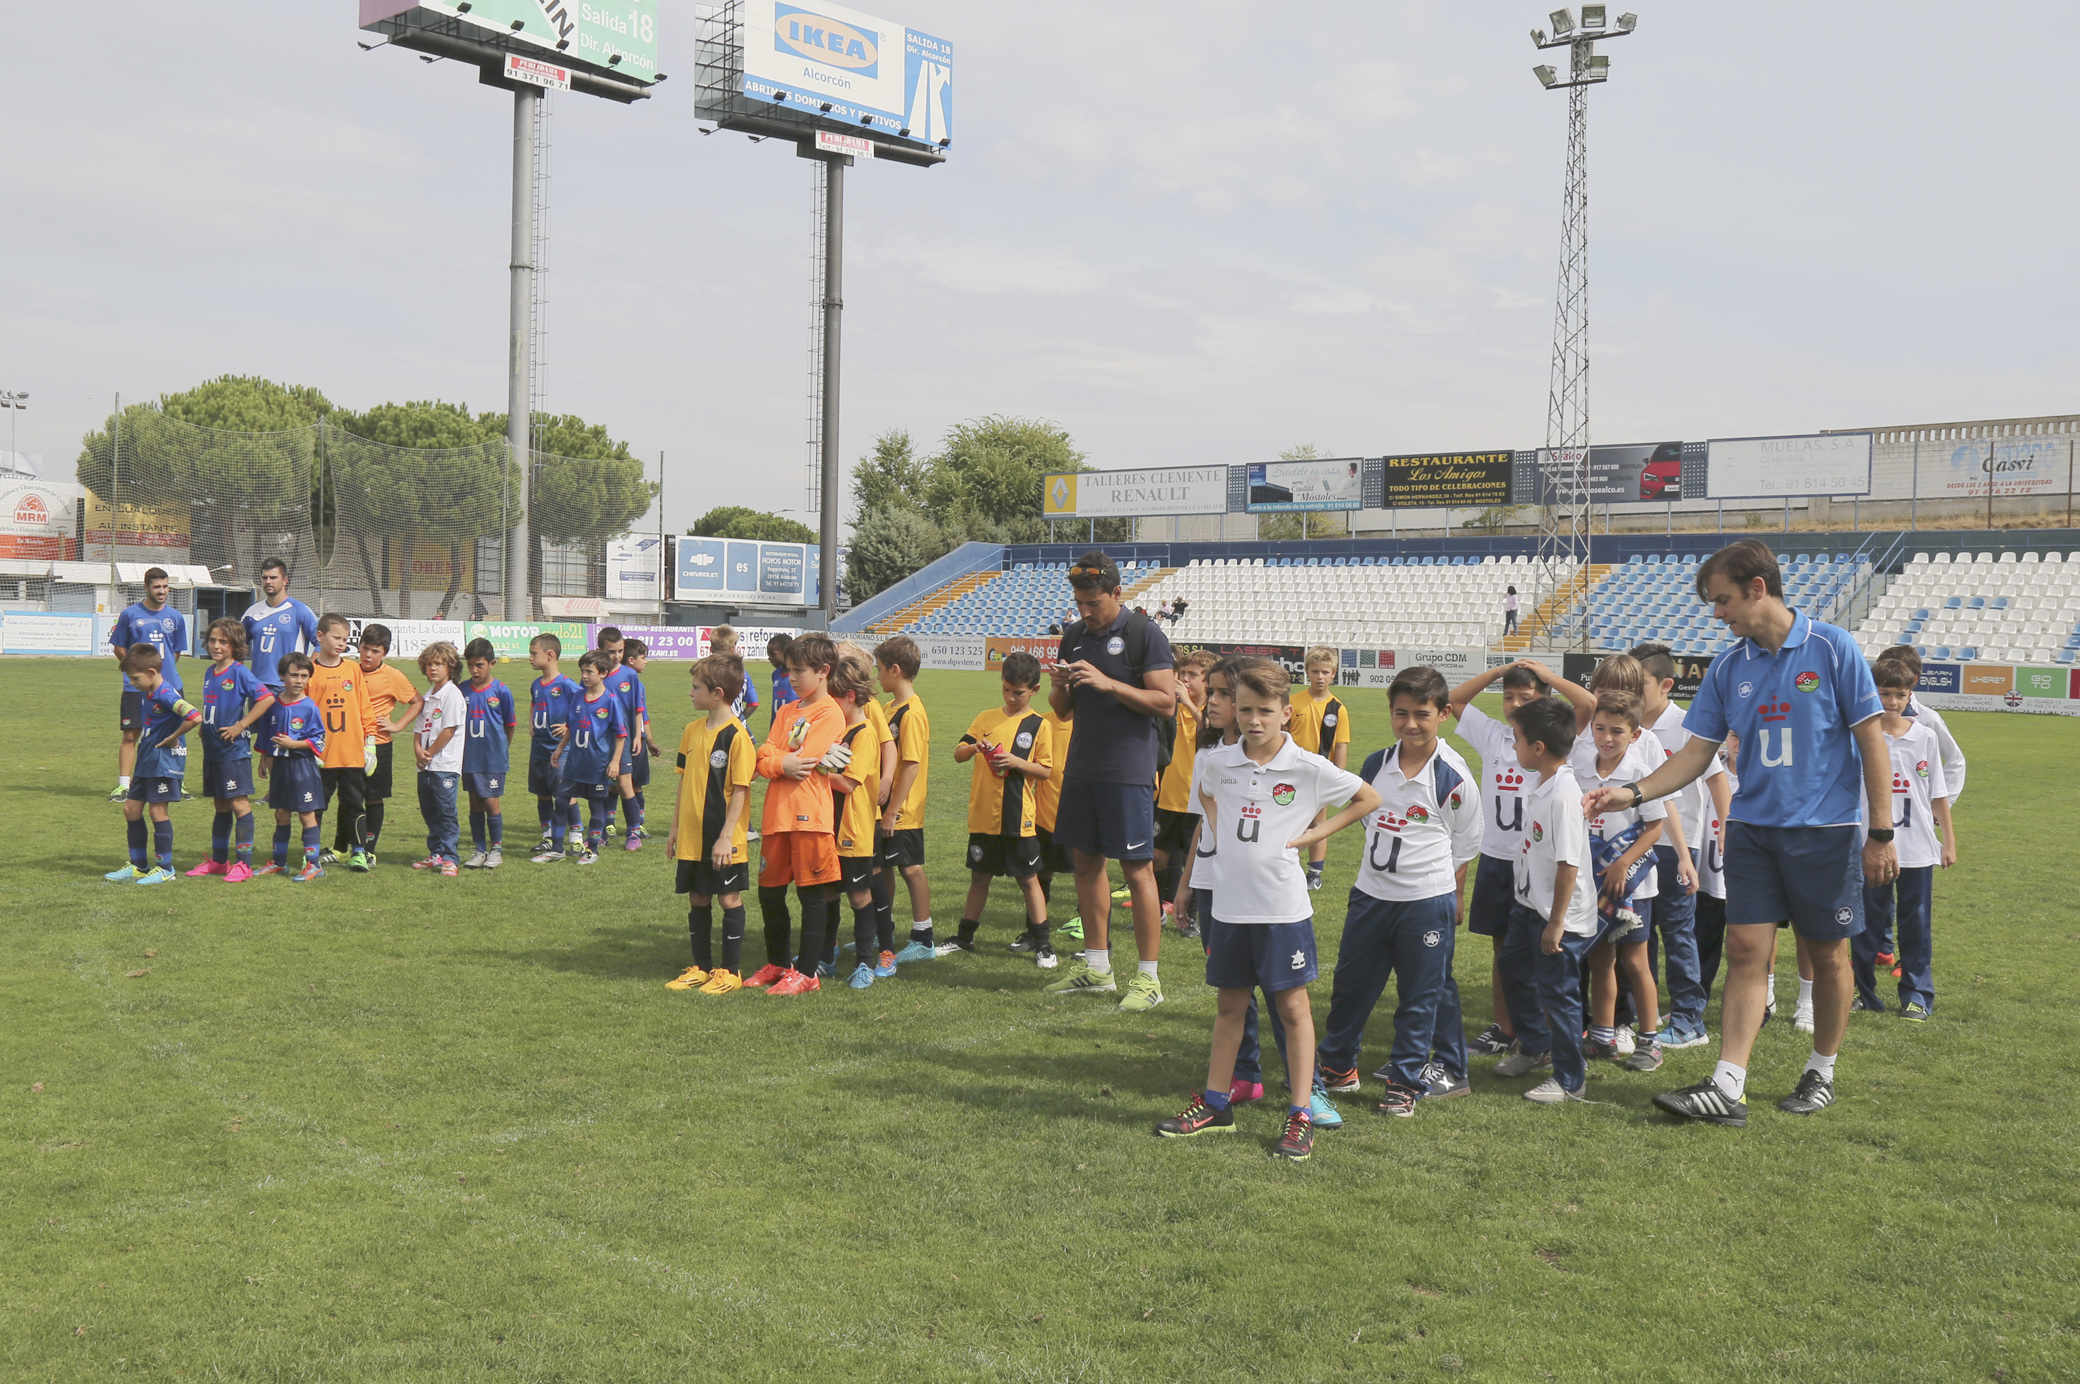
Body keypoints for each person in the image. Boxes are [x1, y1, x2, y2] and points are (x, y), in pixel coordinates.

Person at [1583, 538, 1894, 1126]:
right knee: (1747, 948)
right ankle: (1728, 1085)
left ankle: (1820, 1071)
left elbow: (1871, 741)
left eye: (1723, 600)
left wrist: (1881, 831)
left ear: (1758, 588)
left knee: (1827, 956)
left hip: (1824, 832)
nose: (1717, 614)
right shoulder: (1728, 667)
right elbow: (1697, 753)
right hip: (1751, 828)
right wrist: (1634, 792)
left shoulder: (1832, 647)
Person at [1153, 658, 1378, 1161]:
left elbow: (1367, 797)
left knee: (1293, 1008)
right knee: (1230, 1005)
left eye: (1266, 711)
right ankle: (1216, 1104)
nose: (1254, 720)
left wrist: (1314, 835)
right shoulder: (1215, 761)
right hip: (1230, 907)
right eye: (1247, 709)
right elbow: (1208, 804)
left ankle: (1300, 1113)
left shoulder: (1307, 766)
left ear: (1285, 713)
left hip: (1281, 909)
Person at [1315, 666, 1481, 1115]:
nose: (1410, 723)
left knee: (1419, 995)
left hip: (1425, 903)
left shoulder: (1454, 777)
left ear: (1443, 714)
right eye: (1401, 713)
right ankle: (1337, 1064)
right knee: (1351, 985)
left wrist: (1452, 894)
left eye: (1421, 715)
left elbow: (1466, 843)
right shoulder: (1376, 764)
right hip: (1370, 895)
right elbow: (1368, 819)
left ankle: (1405, 1080)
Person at [1041, 551, 1179, 1010]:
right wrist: (1061, 684)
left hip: (1128, 771)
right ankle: (1097, 969)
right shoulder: (1075, 636)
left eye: (1093, 603)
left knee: (1137, 870)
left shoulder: (1145, 634)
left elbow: (1165, 703)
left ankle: (1148, 980)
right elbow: (1061, 711)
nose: (1084, 611)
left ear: (1117, 594)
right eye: (1079, 602)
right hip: (1081, 767)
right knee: (1085, 864)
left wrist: (1109, 684)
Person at [1491, 695, 1601, 1104]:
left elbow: (1569, 864)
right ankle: (1536, 1047)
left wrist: (1556, 922)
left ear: (1538, 747)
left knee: (1559, 994)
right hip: (1529, 905)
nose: (1514, 747)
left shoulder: (1563, 797)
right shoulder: (1541, 784)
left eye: (1517, 739)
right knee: (1513, 969)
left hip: (1559, 916)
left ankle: (1572, 1080)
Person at [1444, 660, 1553, 1057]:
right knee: (1501, 946)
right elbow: (1453, 699)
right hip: (1496, 857)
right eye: (1509, 697)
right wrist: (1495, 673)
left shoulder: (1553, 740)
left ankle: (1538, 1028)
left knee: (1540, 946)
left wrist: (1550, 680)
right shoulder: (1493, 734)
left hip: (1536, 859)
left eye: (1526, 697)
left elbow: (1587, 706)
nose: (1514, 704)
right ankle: (1504, 1027)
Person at [1628, 642, 1724, 1050]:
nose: (1632, 693)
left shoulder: (1688, 726)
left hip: (1677, 845)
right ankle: (1641, 1015)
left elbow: (1717, 778)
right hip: (1637, 842)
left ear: (1666, 685)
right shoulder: (1626, 725)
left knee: (1678, 932)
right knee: (1638, 932)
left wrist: (1727, 827)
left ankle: (1688, 1020)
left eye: (1640, 685)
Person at [1851, 657, 1956, 1020]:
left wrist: (1950, 841)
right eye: (1884, 694)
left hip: (1918, 848)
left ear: (1911, 694)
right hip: (1871, 846)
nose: (1892, 702)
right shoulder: (1861, 736)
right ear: (1872, 693)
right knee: (1864, 924)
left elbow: (1938, 793)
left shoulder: (1924, 736)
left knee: (1916, 924)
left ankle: (1917, 995)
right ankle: (1862, 992)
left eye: (1900, 695)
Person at [1573, 690, 1671, 1073]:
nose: (1606, 738)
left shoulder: (1640, 775)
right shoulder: (1580, 767)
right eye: (1599, 728)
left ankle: (1649, 1040)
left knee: (1636, 960)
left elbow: (1654, 828)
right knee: (1599, 959)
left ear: (1634, 734)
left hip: (1633, 886)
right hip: (1592, 882)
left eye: (1617, 730)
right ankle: (1602, 1036)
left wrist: (1622, 864)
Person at [749, 632, 847, 996]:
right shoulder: (789, 710)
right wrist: (780, 763)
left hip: (809, 816)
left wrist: (778, 760)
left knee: (811, 896)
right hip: (777, 815)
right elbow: (764, 755)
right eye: (789, 670)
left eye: (799, 670)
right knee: (770, 893)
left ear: (823, 671)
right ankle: (778, 963)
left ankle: (807, 973)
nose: (791, 677)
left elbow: (806, 761)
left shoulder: (830, 712)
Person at [948, 651, 1057, 965]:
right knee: (979, 878)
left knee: (1027, 879)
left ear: (1034, 690)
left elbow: (1046, 770)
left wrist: (1017, 762)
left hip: (1017, 818)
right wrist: (973, 747)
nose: (1011, 696)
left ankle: (1043, 944)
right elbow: (958, 753)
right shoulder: (985, 718)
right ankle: (964, 937)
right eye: (1006, 689)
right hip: (983, 815)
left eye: (1018, 692)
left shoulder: (1039, 725)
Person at [666, 654, 757, 995]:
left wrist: (724, 838)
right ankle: (701, 968)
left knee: (728, 898)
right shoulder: (691, 731)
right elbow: (683, 781)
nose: (690, 693)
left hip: (723, 837)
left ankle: (730, 972)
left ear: (717, 693)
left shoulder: (736, 736)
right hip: (692, 835)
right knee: (698, 897)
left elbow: (741, 792)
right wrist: (675, 828)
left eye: (696, 687)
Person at [827, 647, 898, 989]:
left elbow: (852, 780)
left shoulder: (865, 724)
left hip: (859, 822)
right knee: (832, 890)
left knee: (864, 891)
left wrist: (813, 767)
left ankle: (872, 958)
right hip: (833, 821)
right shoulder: (838, 722)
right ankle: (828, 953)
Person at [104, 644, 202, 886]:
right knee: (131, 810)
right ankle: (138, 866)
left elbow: (194, 716)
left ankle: (165, 868)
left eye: (135, 678)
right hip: (147, 760)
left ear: (151, 671)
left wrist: (173, 736)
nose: (132, 683)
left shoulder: (167, 694)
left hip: (164, 763)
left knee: (157, 811)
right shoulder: (148, 692)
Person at [185, 619, 274, 883]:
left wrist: (241, 724)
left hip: (233, 751)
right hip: (212, 749)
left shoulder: (239, 672)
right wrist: (206, 726)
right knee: (220, 804)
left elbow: (267, 697)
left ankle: (244, 864)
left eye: (223, 641)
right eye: (212, 640)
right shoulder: (210, 672)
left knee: (238, 803)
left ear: (235, 645)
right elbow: (213, 704)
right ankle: (219, 862)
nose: (216, 645)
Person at [876, 636, 937, 960]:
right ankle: (881, 929)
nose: (877, 675)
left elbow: (911, 765)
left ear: (895, 670)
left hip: (903, 809)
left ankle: (923, 937)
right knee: (884, 865)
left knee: (909, 867)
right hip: (885, 804)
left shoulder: (912, 713)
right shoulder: (890, 707)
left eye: (880, 669)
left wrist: (893, 811)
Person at [108, 566, 189, 802]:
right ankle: (124, 785)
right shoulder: (130, 614)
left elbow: (175, 652)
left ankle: (176, 782)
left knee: (176, 735)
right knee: (131, 734)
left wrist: (160, 678)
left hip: (169, 686)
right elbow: (119, 646)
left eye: (165, 586)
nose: (162, 591)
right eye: (157, 587)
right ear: (146, 587)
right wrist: (136, 674)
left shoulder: (175, 617)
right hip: (135, 689)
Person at [306, 614, 378, 873]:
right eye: (336, 637)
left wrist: (370, 743)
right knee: (315, 807)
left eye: (345, 639)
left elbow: (364, 708)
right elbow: (302, 712)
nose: (341, 643)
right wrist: (308, 746)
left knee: (354, 805)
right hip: (321, 755)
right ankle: (310, 854)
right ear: (320, 636)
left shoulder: (352, 669)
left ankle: (358, 853)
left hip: (351, 753)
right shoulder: (309, 671)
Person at [548, 650, 628, 867]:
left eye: (589, 671)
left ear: (602, 674)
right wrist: (559, 749)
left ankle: (592, 850)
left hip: (598, 765)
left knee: (596, 807)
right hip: (575, 764)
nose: (584, 675)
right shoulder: (576, 697)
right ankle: (556, 849)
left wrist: (614, 761)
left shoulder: (610, 701)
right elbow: (571, 728)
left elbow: (621, 735)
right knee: (561, 801)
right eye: (582, 670)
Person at [1153, 650, 1215, 931]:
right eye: (1183, 674)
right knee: (1156, 857)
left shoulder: (1212, 710)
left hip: (1198, 801)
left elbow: (1211, 738)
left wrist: (1189, 704)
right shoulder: (1172, 708)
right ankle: (1155, 912)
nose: (1185, 679)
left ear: (1208, 680)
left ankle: (1189, 918)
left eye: (1193, 675)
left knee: (1196, 863)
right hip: (1167, 796)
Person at [254, 652, 326, 879]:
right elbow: (266, 733)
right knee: (281, 815)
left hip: (302, 767)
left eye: (304, 676)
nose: (299, 680)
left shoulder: (310, 707)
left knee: (306, 815)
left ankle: (314, 864)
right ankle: (279, 862)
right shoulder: (273, 704)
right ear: (282, 676)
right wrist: (264, 758)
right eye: (294, 675)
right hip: (280, 767)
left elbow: (319, 739)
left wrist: (294, 744)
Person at [355, 625, 419, 866]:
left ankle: (369, 850)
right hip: (350, 744)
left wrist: (398, 725)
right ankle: (348, 847)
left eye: (375, 651)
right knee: (350, 798)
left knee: (373, 798)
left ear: (385, 653)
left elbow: (416, 702)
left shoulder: (392, 676)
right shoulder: (350, 670)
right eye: (365, 649)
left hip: (378, 745)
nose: (368, 655)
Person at [1289, 646, 1352, 891]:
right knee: (1290, 818)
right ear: (1306, 672)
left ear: (1333, 674)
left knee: (1318, 822)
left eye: (1325, 672)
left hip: (1320, 774)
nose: (1320, 676)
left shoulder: (1338, 708)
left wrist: (1339, 775)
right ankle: (1288, 864)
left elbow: (1341, 744)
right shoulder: (1294, 702)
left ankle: (1314, 873)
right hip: (1293, 771)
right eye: (1315, 671)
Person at [404, 641, 467, 876]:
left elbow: (448, 730)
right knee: (429, 810)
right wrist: (418, 750)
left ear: (450, 667)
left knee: (446, 811)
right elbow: (420, 728)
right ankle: (436, 853)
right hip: (426, 766)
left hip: (445, 765)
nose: (433, 668)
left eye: (438, 664)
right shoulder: (429, 695)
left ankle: (450, 857)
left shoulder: (453, 695)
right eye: (429, 664)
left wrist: (429, 754)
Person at [1877, 645, 1967, 806]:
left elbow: (1956, 759)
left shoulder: (1928, 719)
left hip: (1915, 812)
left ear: (1914, 679)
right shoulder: (1864, 716)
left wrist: (1944, 804)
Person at [525, 634, 585, 863]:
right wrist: (531, 721)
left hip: (560, 751)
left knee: (565, 795)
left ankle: (577, 837)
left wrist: (569, 725)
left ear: (550, 655)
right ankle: (547, 836)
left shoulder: (567, 685)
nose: (530, 658)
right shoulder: (536, 684)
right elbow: (534, 703)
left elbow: (582, 709)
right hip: (538, 748)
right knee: (542, 794)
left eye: (533, 653)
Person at [460, 637, 517, 869]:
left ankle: (496, 849)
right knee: (474, 804)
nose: (474, 670)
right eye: (471, 665)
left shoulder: (501, 691)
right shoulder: (461, 689)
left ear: (491, 664)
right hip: (469, 758)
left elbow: (510, 724)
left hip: (492, 758)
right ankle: (479, 849)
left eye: (480, 665)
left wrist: (501, 748)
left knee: (491, 803)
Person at [240, 557, 320, 692]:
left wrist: (304, 672)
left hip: (287, 688)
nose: (268, 582)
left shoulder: (300, 610)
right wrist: (242, 676)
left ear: (285, 581)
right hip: (257, 687)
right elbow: (237, 645)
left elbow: (321, 643)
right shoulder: (252, 613)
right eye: (265, 578)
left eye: (273, 577)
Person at [606, 637, 652, 849]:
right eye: (611, 651)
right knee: (602, 786)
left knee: (627, 784)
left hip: (623, 740)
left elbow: (639, 710)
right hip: (599, 740)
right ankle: (603, 827)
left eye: (620, 651)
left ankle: (634, 830)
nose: (616, 656)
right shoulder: (594, 673)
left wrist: (639, 736)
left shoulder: (630, 676)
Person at [708, 625, 759, 725]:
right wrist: (740, 720)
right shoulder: (743, 674)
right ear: (732, 648)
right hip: (738, 725)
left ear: (711, 649)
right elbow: (753, 703)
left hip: (717, 725)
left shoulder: (708, 673)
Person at [767, 634, 797, 732]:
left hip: (792, 727)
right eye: (769, 655)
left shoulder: (798, 676)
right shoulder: (776, 674)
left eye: (773, 654)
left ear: (786, 652)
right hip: (776, 726)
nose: (770, 658)